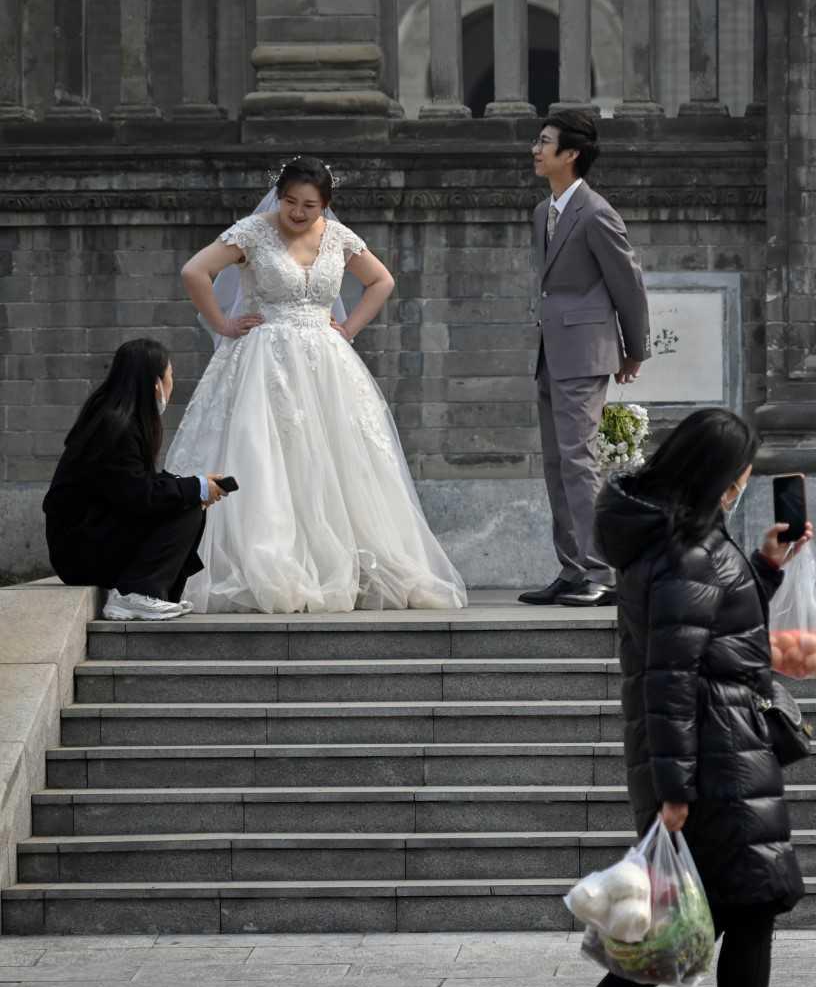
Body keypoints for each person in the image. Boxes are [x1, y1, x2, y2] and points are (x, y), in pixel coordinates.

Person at [523, 408, 809, 987]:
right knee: (746, 910)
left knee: (710, 915)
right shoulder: (686, 553)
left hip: (721, 744)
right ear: (720, 476)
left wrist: (766, 571)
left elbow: (711, 636)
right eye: (742, 469)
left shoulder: (685, 542)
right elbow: (668, 681)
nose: (746, 481)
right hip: (713, 756)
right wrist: (674, 790)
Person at [171, 156, 467, 614]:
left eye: (308, 205)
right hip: (262, 361)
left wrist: (348, 330)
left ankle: (345, 564)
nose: (297, 213)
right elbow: (195, 271)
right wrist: (223, 324)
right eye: (290, 201)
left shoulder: (338, 237)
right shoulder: (253, 231)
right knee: (265, 456)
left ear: (325, 205)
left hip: (327, 365)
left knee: (337, 458)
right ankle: (269, 560)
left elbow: (381, 281)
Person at [519, 110, 653, 607]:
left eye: (545, 142)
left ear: (570, 154)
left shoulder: (596, 213)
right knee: (557, 463)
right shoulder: (543, 212)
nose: (536, 149)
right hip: (550, 352)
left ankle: (603, 572)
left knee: (579, 461)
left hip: (586, 352)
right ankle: (573, 569)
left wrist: (634, 349)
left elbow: (628, 284)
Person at [43, 339, 229, 620]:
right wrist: (195, 488)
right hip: (80, 551)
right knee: (186, 505)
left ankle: (145, 590)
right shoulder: (116, 425)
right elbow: (138, 495)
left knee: (188, 499)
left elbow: (134, 484)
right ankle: (139, 592)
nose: (172, 383)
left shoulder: (117, 419)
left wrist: (196, 485)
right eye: (170, 376)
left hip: (89, 538)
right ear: (156, 383)